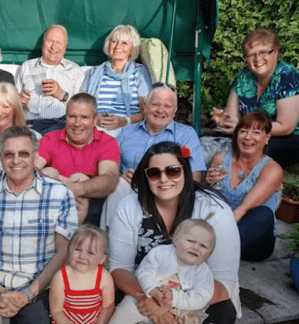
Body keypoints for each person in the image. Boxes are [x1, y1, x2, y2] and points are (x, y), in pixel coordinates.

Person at [0, 126, 78, 324]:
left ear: (35, 156)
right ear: (1, 157)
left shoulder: (60, 194)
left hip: (38, 282)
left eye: (24, 154)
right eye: (9, 154)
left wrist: (29, 293)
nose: (16, 160)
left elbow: (63, 253)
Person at [109, 142, 241, 324]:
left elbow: (224, 283)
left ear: (185, 172)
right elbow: (119, 268)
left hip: (199, 294)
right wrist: (147, 298)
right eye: (154, 173)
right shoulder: (130, 205)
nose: (163, 179)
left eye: (172, 171)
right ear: (146, 177)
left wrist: (171, 304)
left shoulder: (215, 210)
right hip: (144, 288)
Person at [102, 83, 206, 229]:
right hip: (128, 190)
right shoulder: (127, 132)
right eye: (155, 104)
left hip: (166, 192)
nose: (160, 110)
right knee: (117, 185)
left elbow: (194, 177)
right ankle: (110, 244)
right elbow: (110, 169)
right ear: (145, 106)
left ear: (175, 111)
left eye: (167, 106)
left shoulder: (185, 135)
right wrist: (120, 176)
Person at [215, 29, 299, 167]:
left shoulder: (289, 77)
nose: (257, 59)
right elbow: (231, 114)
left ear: (275, 52)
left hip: (294, 136)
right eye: (251, 54)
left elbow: (285, 127)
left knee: (255, 150)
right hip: (254, 133)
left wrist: (242, 128)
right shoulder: (243, 77)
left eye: (263, 52)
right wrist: (223, 119)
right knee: (219, 145)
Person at [206, 111, 282, 261]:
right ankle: (214, 249)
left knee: (261, 214)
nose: (248, 137)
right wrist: (207, 182)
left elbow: (243, 209)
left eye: (256, 132)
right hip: (220, 228)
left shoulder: (272, 169)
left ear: (267, 138)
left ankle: (211, 249)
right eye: (243, 131)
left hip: (252, 238)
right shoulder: (221, 158)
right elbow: (206, 198)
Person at [110, 219, 216, 324]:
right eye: (191, 241)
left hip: (178, 310)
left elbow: (202, 297)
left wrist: (175, 299)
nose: (196, 247)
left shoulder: (203, 272)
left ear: (209, 255)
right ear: (176, 239)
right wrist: (152, 290)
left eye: (203, 246)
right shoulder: (161, 253)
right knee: (127, 306)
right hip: (146, 297)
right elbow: (144, 272)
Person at [36, 93, 120, 225]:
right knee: (48, 172)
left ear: (95, 120)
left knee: (80, 177)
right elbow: (31, 170)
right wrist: (61, 183)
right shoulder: (51, 138)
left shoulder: (107, 142)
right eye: (72, 117)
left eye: (84, 117)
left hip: (92, 212)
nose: (77, 124)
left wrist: (78, 189)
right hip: (52, 206)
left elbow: (110, 179)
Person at [81, 25, 152, 138]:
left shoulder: (139, 72)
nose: (118, 46)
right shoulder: (95, 72)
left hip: (130, 128)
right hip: (97, 128)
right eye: (114, 41)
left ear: (131, 49)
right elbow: (81, 107)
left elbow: (147, 112)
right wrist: (94, 118)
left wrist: (124, 121)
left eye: (124, 43)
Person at [15, 25, 85, 134]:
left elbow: (82, 108)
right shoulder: (27, 67)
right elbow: (12, 101)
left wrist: (61, 94)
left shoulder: (75, 71)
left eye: (59, 43)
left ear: (65, 46)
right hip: (28, 124)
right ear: (43, 43)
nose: (54, 47)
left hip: (59, 124)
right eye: (50, 41)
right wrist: (19, 100)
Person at [49, 225, 115, 324]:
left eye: (91, 253)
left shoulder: (104, 277)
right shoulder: (61, 277)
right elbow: (56, 311)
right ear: (70, 249)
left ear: (102, 258)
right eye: (78, 250)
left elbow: (107, 307)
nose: (82, 256)